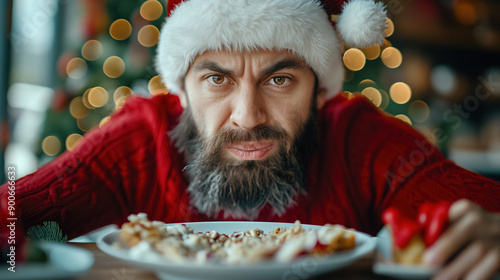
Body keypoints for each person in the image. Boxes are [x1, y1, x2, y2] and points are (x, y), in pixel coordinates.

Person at [1, 0, 499, 278]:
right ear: (183, 90)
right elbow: (13, 214)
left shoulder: (367, 144)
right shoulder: (136, 144)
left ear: (318, 92)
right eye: (217, 79)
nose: (247, 116)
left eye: (279, 80)